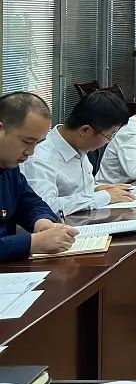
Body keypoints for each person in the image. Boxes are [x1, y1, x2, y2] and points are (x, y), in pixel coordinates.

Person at [22, 91, 136, 216]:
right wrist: (102, 197)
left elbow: (72, 192)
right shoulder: (40, 159)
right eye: (109, 135)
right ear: (85, 130)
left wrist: (95, 190)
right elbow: (45, 206)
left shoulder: (79, 146)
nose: (109, 141)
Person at [0, 92, 77, 259]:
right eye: (27, 142)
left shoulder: (9, 166)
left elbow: (30, 202)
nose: (31, 152)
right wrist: (32, 243)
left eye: (37, 143)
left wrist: (42, 221)